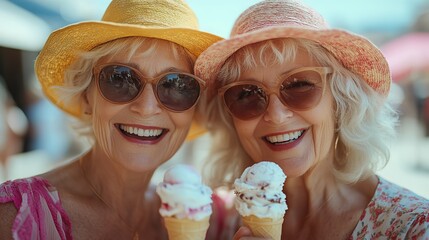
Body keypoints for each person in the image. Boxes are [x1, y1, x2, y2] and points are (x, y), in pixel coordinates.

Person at [194, 0, 429, 239]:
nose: (276, 115)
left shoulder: (414, 227)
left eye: (299, 85)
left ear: (340, 100)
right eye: (245, 94)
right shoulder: (214, 220)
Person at [0, 0, 222, 239]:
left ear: (194, 109)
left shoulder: (214, 220)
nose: (146, 108)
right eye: (120, 79)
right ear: (87, 96)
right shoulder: (13, 217)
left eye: (177, 85)